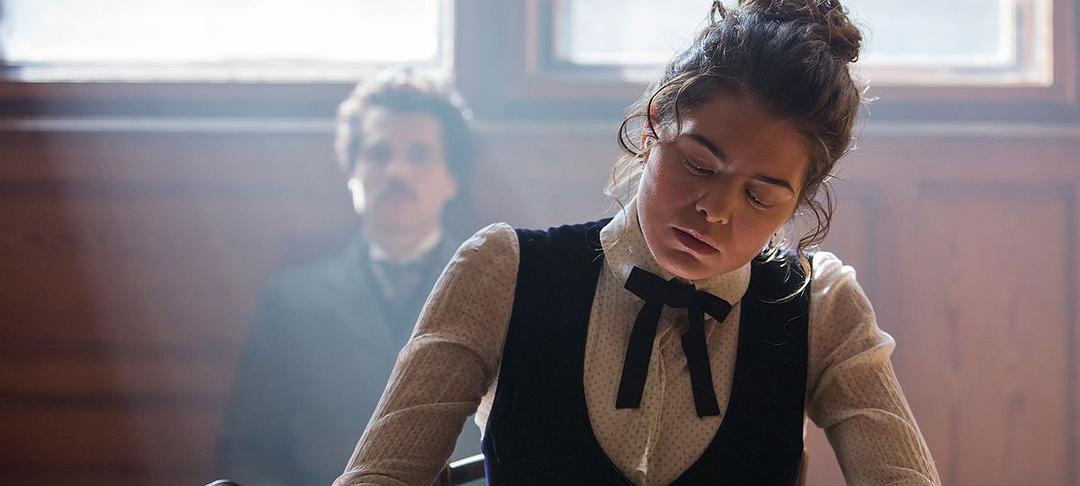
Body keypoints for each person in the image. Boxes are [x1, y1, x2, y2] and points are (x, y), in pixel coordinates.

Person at [336, 1, 941, 484]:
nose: (715, 210)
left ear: (800, 199)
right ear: (653, 126)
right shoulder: (502, 271)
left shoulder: (821, 307)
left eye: (760, 196)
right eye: (699, 164)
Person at [215, 71, 481, 486]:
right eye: (378, 153)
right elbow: (249, 450)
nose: (397, 171)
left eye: (419, 155)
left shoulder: (493, 294)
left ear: (452, 179)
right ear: (352, 171)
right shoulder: (290, 301)